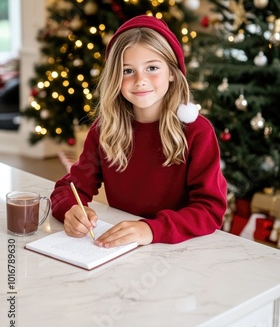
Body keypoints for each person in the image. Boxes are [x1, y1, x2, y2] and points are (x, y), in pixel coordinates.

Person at [51, 15, 227, 247]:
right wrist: (70, 209)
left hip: (181, 252)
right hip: (121, 249)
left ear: (172, 72)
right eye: (127, 71)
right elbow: (68, 188)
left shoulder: (197, 132)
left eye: (152, 67)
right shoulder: (105, 129)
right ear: (115, 76)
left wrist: (151, 229)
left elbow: (209, 210)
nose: (140, 80)